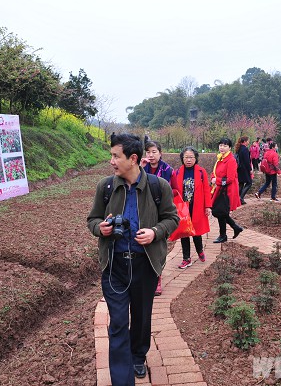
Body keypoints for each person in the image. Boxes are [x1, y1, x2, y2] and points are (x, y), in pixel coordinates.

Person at [87, 133, 179, 385]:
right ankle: (122, 380)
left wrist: (155, 232)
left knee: (141, 317)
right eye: (112, 156)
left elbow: (172, 218)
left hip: (144, 265)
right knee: (117, 323)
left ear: (133, 158)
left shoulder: (158, 186)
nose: (112, 161)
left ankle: (139, 355)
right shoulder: (106, 187)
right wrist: (100, 228)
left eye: (116, 156)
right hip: (115, 265)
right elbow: (92, 219)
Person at [170, 146, 212, 269]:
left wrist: (208, 206)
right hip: (183, 207)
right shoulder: (177, 172)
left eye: (191, 157)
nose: (188, 160)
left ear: (196, 158)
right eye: (186, 157)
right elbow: (174, 189)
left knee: (196, 232)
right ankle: (186, 258)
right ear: (182, 158)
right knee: (184, 232)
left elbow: (206, 189)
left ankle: (200, 251)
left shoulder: (201, 172)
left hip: (197, 206)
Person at [140, 140, 172, 296]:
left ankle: (157, 279)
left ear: (160, 153)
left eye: (154, 152)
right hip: (143, 211)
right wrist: (139, 166)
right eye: (148, 152)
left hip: (159, 212)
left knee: (158, 246)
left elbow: (170, 191)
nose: (151, 155)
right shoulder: (142, 167)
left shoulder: (167, 170)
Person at [211, 137, 243, 243]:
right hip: (220, 189)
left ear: (229, 147)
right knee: (221, 212)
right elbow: (215, 172)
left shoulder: (231, 160)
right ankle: (235, 228)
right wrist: (213, 179)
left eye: (225, 146)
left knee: (221, 212)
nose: (222, 148)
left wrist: (217, 180)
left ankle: (224, 235)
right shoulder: (220, 158)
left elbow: (230, 178)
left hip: (227, 191)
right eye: (220, 145)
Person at [236, 136, 253, 205]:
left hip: (239, 168)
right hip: (244, 169)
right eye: (248, 141)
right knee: (249, 183)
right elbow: (247, 161)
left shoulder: (239, 148)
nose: (248, 142)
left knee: (241, 183)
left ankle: (237, 198)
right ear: (245, 141)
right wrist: (250, 169)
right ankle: (241, 197)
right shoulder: (245, 149)